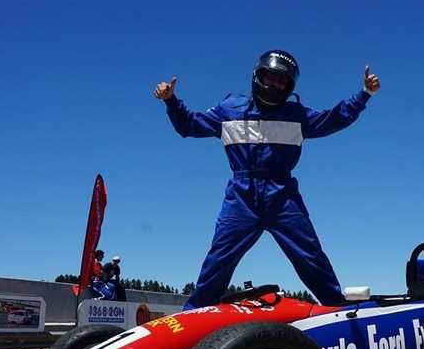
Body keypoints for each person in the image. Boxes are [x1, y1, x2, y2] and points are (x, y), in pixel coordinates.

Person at [155, 50, 380, 310]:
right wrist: (171, 101)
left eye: (281, 81)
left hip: (282, 194)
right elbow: (189, 126)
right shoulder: (230, 109)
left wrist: (364, 94)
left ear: (289, 86)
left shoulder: (298, 115)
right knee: (219, 259)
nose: (274, 84)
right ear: (257, 77)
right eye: (270, 78)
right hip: (242, 195)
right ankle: (193, 314)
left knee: (310, 255)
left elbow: (335, 118)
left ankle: (336, 308)